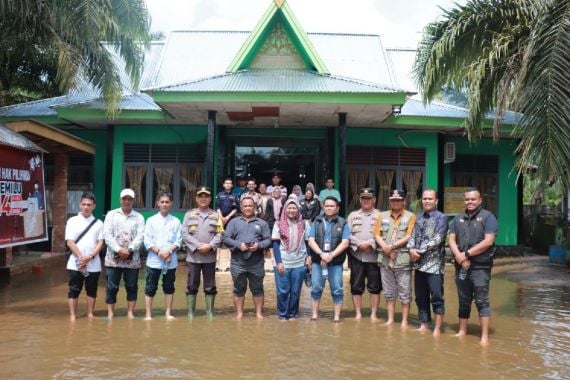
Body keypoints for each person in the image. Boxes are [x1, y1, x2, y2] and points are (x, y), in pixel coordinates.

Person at [448, 188, 498, 346]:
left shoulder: (488, 217)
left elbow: (488, 241)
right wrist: (459, 257)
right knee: (463, 300)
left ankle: (484, 337)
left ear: (480, 200)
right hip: (461, 265)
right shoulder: (457, 219)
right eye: (467, 199)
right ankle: (462, 331)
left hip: (480, 267)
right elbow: (451, 240)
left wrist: (466, 254)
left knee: (482, 301)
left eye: (473, 199)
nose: (469, 202)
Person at [408, 189, 448, 336]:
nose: (427, 201)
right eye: (424, 199)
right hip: (418, 265)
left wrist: (418, 251)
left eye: (430, 199)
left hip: (434, 266)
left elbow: (438, 239)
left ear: (436, 201)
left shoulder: (441, 218)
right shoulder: (418, 218)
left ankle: (437, 329)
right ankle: (424, 325)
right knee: (420, 296)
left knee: (436, 297)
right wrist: (411, 249)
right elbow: (412, 235)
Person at [223, 197, 271, 320]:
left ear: (254, 207)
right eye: (245, 206)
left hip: (256, 262)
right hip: (238, 262)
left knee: (258, 288)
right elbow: (226, 239)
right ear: (241, 207)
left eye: (250, 206)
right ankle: (239, 314)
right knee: (239, 288)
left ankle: (259, 314)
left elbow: (268, 240)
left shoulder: (262, 223)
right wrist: (239, 245)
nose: (248, 208)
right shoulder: (234, 222)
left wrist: (259, 246)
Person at [374, 189, 416, 328]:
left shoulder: (411, 216)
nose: (396, 202)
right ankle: (390, 320)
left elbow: (409, 236)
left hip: (402, 259)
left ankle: (404, 321)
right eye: (393, 200)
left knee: (405, 292)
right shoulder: (382, 215)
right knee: (389, 292)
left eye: (398, 200)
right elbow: (377, 235)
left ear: (404, 201)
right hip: (385, 260)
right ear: (390, 201)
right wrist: (385, 248)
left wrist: (390, 246)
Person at [182, 186, 223, 320]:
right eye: (201, 196)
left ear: (210, 199)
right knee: (192, 285)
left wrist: (210, 246)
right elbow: (184, 234)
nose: (203, 199)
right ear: (196, 198)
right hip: (193, 256)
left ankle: (210, 312)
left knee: (210, 285)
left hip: (209, 257)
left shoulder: (216, 215)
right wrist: (198, 245)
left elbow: (220, 234)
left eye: (206, 196)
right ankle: (190, 313)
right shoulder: (189, 214)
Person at [103, 188, 145, 319]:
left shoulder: (139, 217)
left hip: (132, 260)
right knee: (111, 287)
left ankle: (130, 312)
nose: (127, 201)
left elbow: (140, 236)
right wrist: (118, 249)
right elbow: (107, 234)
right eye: (124, 199)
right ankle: (110, 313)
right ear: (120, 200)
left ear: (133, 200)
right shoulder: (111, 215)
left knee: (132, 286)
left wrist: (130, 249)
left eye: (130, 199)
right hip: (113, 259)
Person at [307, 196, 349, 322]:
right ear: (323, 207)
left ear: (337, 208)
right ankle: (314, 315)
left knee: (337, 289)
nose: (329, 208)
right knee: (316, 288)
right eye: (327, 206)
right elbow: (310, 240)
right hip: (317, 261)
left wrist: (331, 255)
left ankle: (336, 317)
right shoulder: (317, 221)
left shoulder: (343, 223)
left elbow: (345, 242)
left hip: (335, 263)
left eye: (332, 206)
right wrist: (321, 254)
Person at [65, 192, 104, 321]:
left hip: (93, 264)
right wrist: (81, 257)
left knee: (91, 289)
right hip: (75, 263)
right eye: (84, 204)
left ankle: (90, 314)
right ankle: (72, 316)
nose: (86, 207)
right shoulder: (72, 221)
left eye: (89, 205)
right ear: (80, 205)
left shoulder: (99, 223)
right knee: (74, 289)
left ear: (94, 206)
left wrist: (90, 257)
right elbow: (69, 242)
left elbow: (100, 243)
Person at [143, 192, 182, 320]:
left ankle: (168, 313)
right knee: (150, 287)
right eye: (162, 202)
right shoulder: (151, 220)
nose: (164, 204)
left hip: (171, 261)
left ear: (171, 204)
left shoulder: (176, 221)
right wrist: (161, 253)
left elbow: (179, 241)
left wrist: (169, 252)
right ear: (158, 203)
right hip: (154, 260)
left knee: (169, 287)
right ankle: (148, 314)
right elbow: (147, 241)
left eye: (167, 202)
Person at [347, 188, 382, 320]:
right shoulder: (352, 216)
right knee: (356, 286)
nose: (366, 201)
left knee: (375, 287)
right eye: (363, 198)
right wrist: (359, 244)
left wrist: (371, 244)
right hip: (357, 256)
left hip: (374, 257)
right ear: (360, 200)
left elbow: (383, 233)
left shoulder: (380, 215)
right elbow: (347, 234)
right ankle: (358, 313)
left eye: (369, 198)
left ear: (374, 200)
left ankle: (373, 314)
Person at [272, 199, 309, 320]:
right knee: (282, 291)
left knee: (295, 292)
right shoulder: (278, 224)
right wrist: (279, 262)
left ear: (298, 209)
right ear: (285, 209)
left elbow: (308, 242)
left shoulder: (304, 223)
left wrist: (308, 258)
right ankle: (283, 315)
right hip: (283, 262)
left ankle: (293, 314)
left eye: (294, 208)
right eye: (289, 208)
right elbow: (276, 244)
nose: (292, 210)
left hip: (299, 263)